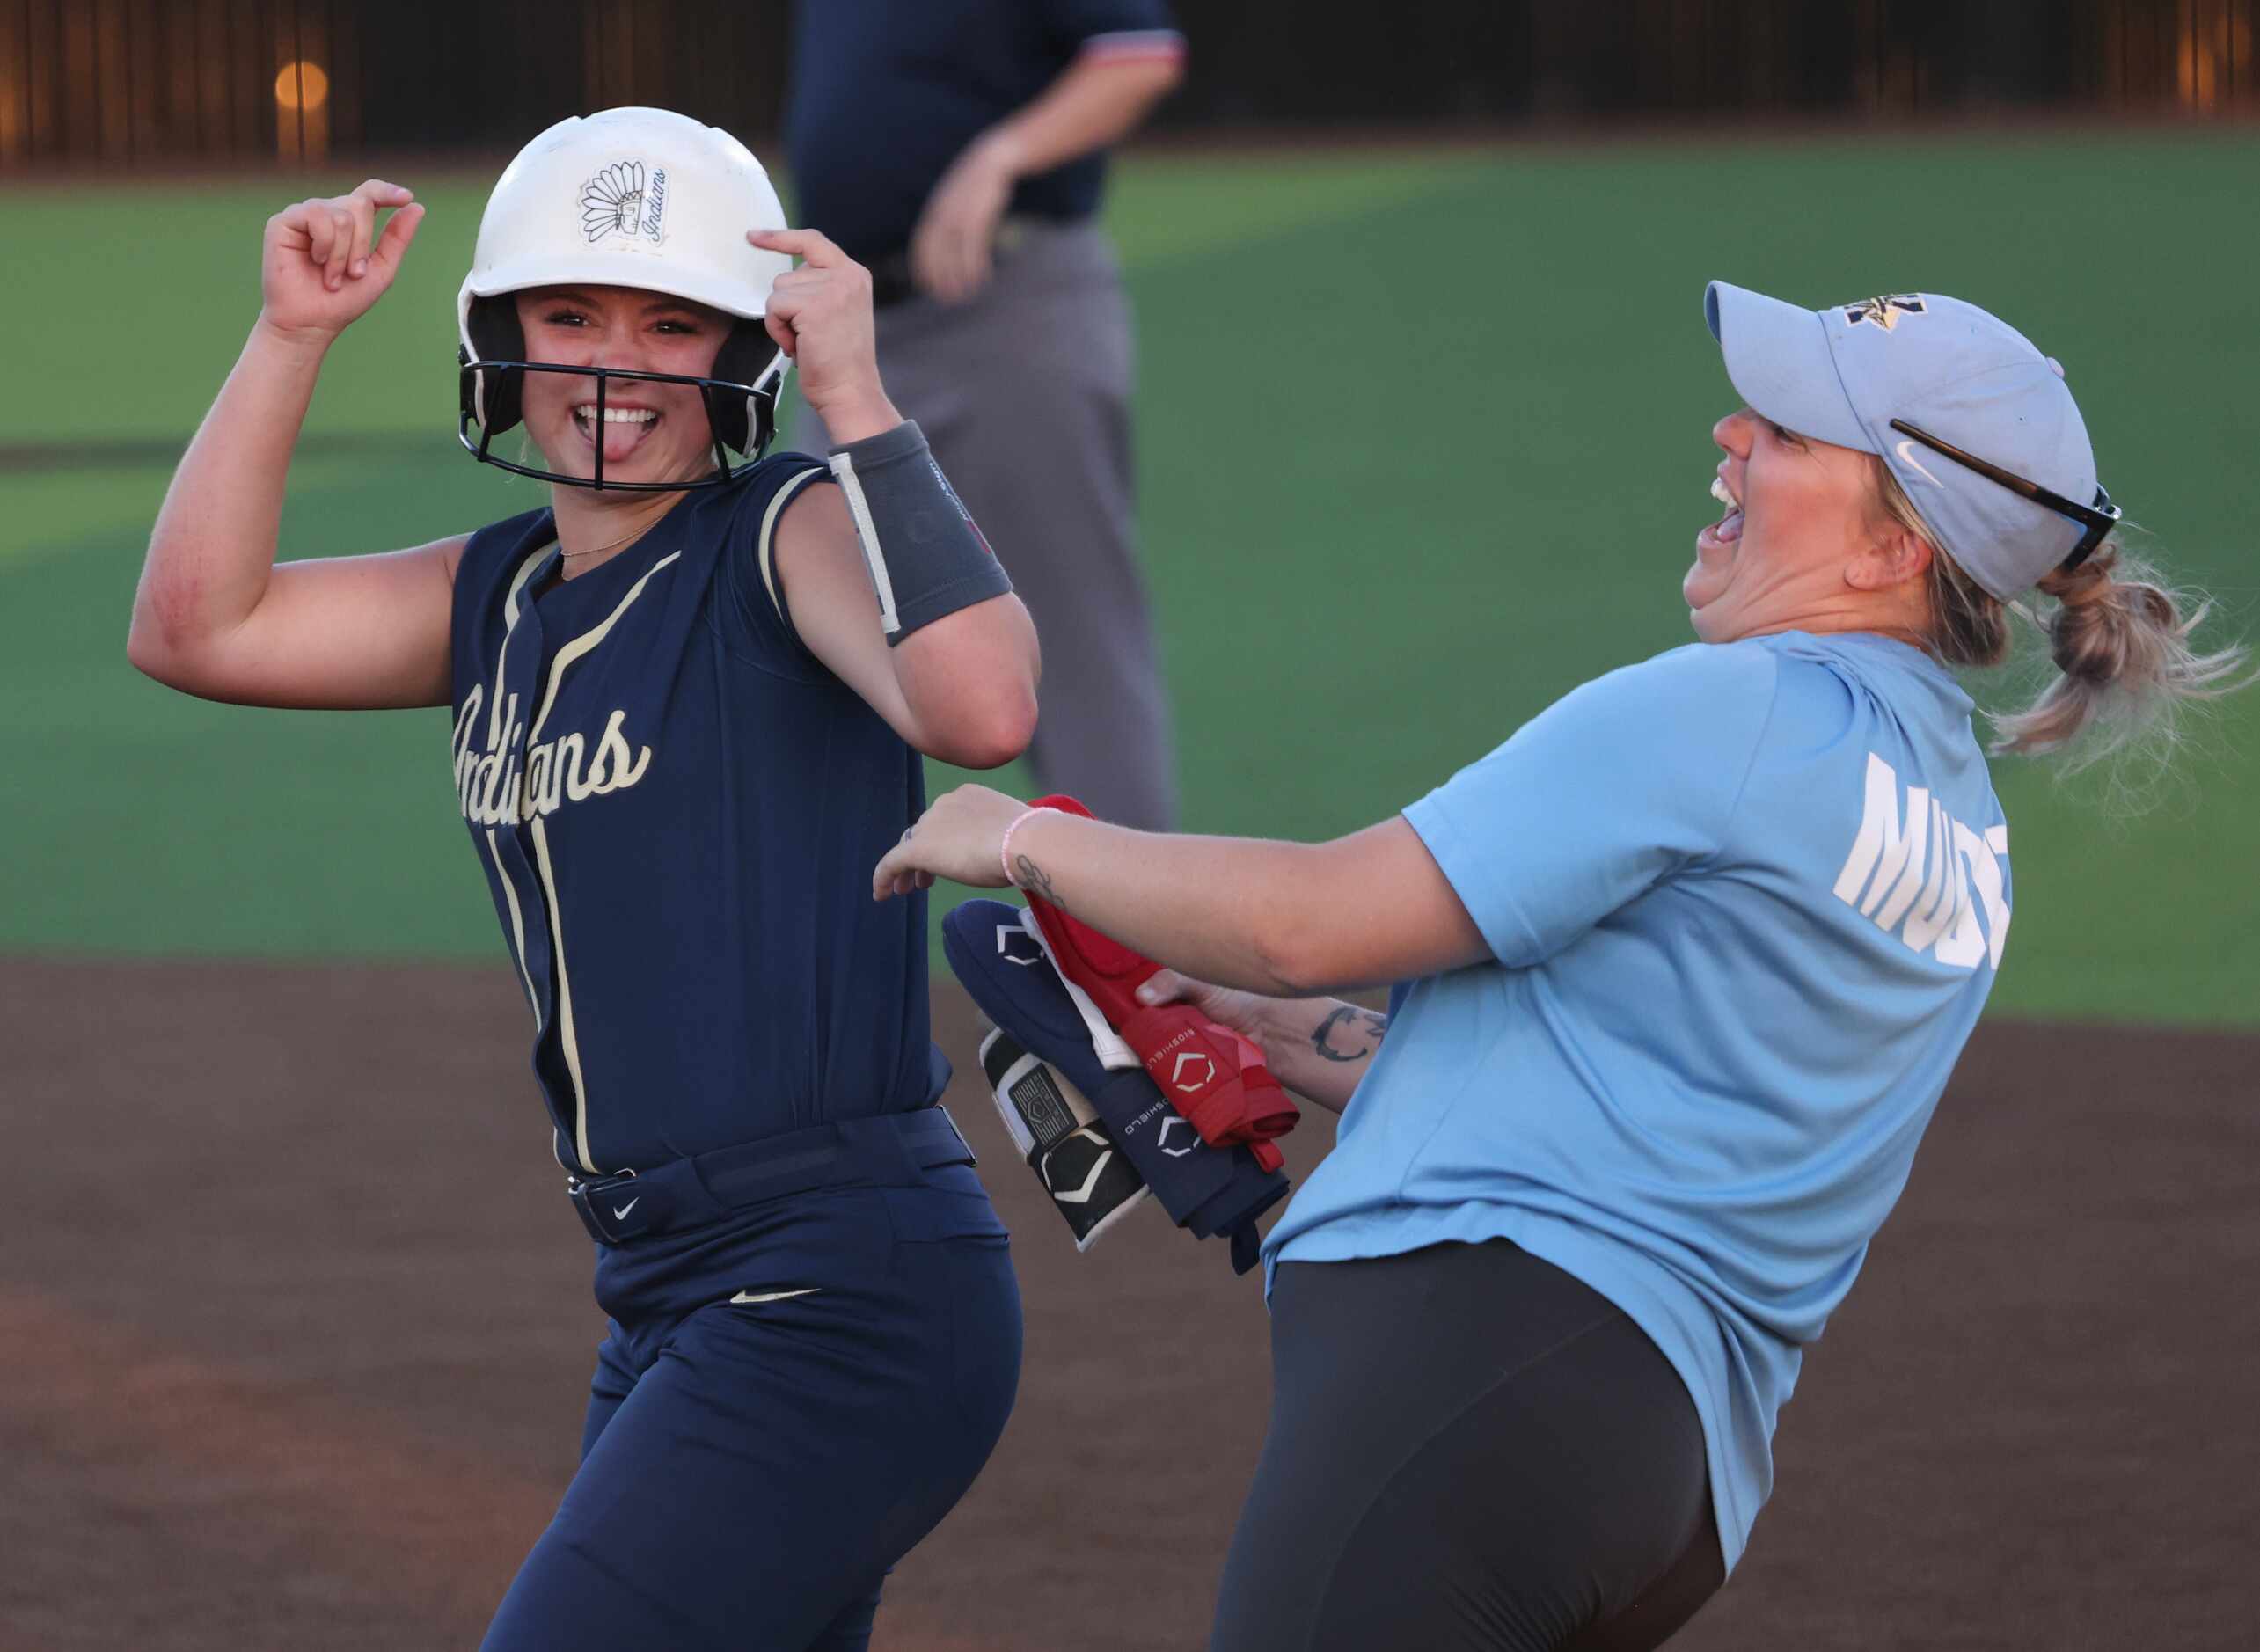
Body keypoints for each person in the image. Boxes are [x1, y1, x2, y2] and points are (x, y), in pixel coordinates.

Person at [872, 282, 2250, 1649]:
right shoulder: (1953, 815)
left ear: (1895, 545)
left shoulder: (1743, 708)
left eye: (1786, 430)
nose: (1729, 434)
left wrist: (1026, 837)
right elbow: (1643, 1097)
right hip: (1665, 1476)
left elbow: (1313, 911)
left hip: (1474, 1379)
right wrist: (1288, 1028)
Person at [128, 107, 1040, 1652]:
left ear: (739, 353)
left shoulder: (783, 529)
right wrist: (291, 337)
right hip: (668, 1293)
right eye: (568, 314)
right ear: (502, 335)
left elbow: (981, 711)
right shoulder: (497, 590)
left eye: (670, 323)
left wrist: (858, 399)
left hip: (836, 1286)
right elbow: (198, 631)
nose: (613, 362)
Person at [785, 0, 1187, 830]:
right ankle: (811, 934)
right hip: (858, 329)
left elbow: (1138, 53)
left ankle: (1138, 949)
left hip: (1004, 306)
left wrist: (999, 153)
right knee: (799, 618)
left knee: (1071, 645)